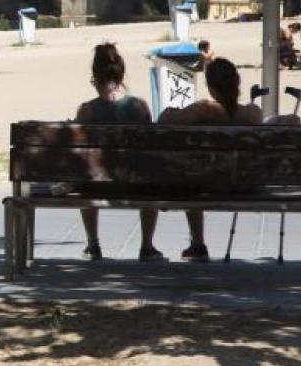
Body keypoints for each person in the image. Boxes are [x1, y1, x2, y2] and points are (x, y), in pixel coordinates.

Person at [159, 57, 262, 262]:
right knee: (194, 176)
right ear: (237, 83)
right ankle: (197, 244)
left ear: (211, 87)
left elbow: (164, 120)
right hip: (245, 184)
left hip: (204, 184)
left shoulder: (204, 109)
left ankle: (198, 243)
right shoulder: (252, 113)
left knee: (191, 176)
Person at [72, 43, 161, 262]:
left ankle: (93, 245)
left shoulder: (87, 110)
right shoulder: (140, 107)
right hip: (136, 184)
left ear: (95, 75)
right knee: (150, 175)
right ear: (121, 72)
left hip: (97, 185)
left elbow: (77, 154)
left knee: (85, 176)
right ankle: (147, 246)